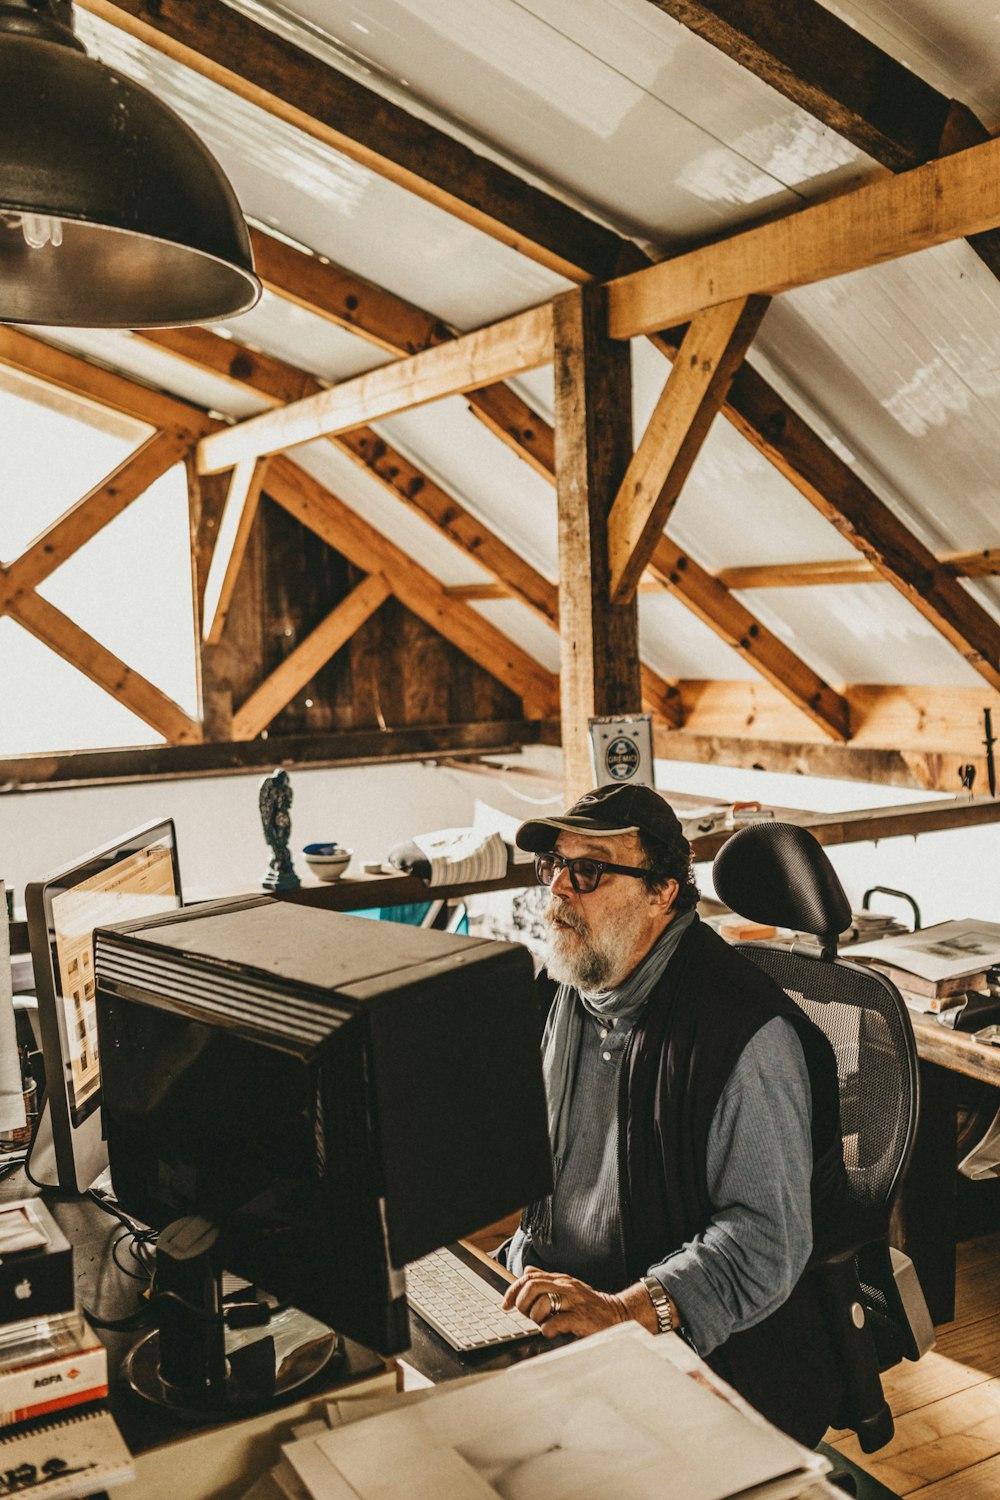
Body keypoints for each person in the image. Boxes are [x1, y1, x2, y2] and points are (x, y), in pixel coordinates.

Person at [500, 781, 846, 1446]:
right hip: (563, 1306)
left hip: (699, 1355)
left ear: (661, 891)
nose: (559, 891)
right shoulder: (574, 986)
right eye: (555, 867)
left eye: (589, 871)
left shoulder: (744, 1035)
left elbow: (764, 1243)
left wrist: (621, 1312)